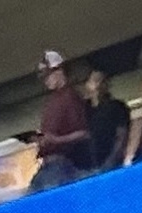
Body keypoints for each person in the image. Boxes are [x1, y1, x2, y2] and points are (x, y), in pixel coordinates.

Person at [31, 50, 93, 188]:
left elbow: (84, 133)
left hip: (60, 165)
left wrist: (56, 140)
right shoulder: (53, 100)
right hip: (48, 166)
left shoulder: (70, 97)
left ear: (59, 71)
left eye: (48, 75)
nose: (45, 81)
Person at [80, 65, 131, 174]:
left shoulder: (116, 107)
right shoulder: (84, 110)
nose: (97, 85)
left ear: (106, 84)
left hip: (112, 163)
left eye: (101, 81)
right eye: (94, 81)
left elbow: (122, 135)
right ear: (87, 84)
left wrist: (112, 160)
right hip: (89, 167)